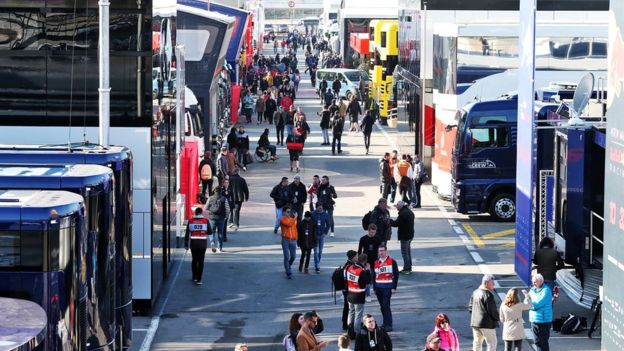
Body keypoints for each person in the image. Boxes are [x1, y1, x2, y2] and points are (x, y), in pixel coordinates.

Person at [469, 275, 500, 351]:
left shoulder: (475, 292)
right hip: (487, 324)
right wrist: (499, 318)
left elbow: (470, 307)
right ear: (486, 283)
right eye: (492, 283)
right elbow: (492, 311)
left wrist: (475, 317)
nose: (494, 284)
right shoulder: (488, 295)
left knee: (477, 343)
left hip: (475, 323)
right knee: (491, 343)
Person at [372, 245, 399, 332]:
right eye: (379, 251)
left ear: (386, 251)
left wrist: (394, 287)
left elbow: (396, 275)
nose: (381, 253)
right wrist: (374, 288)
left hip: (388, 287)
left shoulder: (392, 261)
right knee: (382, 306)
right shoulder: (376, 262)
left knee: (386, 305)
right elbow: (374, 276)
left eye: (382, 251)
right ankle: (385, 323)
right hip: (379, 287)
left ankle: (389, 325)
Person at [347, 254, 372, 337]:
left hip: (350, 294)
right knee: (358, 315)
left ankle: (350, 330)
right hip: (358, 295)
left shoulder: (350, 268)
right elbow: (368, 281)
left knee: (351, 312)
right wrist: (368, 270)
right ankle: (357, 333)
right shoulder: (361, 271)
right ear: (364, 261)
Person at [526, 274, 553, 351]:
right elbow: (526, 302)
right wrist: (528, 300)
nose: (534, 284)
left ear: (541, 281)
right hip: (534, 319)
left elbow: (537, 304)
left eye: (535, 282)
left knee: (543, 343)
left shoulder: (546, 290)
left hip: (543, 321)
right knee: (537, 342)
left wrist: (529, 302)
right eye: (533, 282)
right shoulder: (532, 290)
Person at [184, 207, 210, 285]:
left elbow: (187, 233)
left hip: (194, 244)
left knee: (194, 260)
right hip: (202, 244)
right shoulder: (206, 221)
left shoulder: (191, 221)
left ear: (195, 213)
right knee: (201, 261)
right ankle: (199, 280)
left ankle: (194, 277)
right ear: (201, 213)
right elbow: (210, 231)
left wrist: (186, 244)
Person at [390, 201, 415, 274]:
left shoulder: (403, 214)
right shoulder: (409, 211)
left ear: (400, 206)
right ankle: (409, 267)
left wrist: (389, 220)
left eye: (397, 206)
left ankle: (407, 268)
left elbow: (395, 224)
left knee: (405, 253)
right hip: (410, 235)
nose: (396, 207)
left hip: (405, 236)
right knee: (408, 251)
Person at [206, 186, 227, 253]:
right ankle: (219, 248)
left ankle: (212, 242)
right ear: (221, 191)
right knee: (220, 232)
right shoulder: (224, 198)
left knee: (212, 231)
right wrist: (226, 216)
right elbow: (228, 209)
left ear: (214, 191)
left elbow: (205, 207)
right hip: (221, 218)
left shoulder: (210, 198)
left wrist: (209, 212)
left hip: (212, 218)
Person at [311, 202, 331, 273]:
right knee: (316, 251)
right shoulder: (312, 214)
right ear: (316, 207)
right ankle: (317, 265)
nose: (320, 207)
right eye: (319, 206)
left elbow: (328, 224)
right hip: (315, 235)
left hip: (322, 235)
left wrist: (325, 232)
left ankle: (317, 263)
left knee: (320, 251)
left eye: (321, 206)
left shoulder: (325, 214)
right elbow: (309, 223)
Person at [342, 250, 359, 331]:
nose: (358, 257)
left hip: (346, 289)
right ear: (352, 258)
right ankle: (347, 325)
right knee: (348, 308)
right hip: (348, 290)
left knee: (347, 307)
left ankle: (345, 324)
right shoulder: (349, 266)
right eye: (356, 256)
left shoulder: (348, 265)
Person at [280, 206, 298, 279]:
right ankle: (288, 272)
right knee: (286, 256)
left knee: (293, 256)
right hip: (285, 240)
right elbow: (289, 225)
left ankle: (288, 266)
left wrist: (296, 238)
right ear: (284, 212)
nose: (289, 213)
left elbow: (295, 229)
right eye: (287, 212)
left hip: (293, 240)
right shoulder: (282, 219)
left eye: (289, 211)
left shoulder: (292, 219)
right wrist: (295, 218)